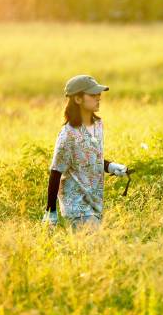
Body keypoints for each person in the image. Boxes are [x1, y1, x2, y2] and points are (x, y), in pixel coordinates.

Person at [42, 75, 127, 231]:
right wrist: (50, 211)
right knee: (98, 247)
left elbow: (91, 157)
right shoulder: (68, 134)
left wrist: (111, 167)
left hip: (94, 203)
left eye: (98, 94)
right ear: (78, 99)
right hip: (76, 205)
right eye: (93, 95)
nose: (98, 97)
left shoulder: (98, 125)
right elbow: (56, 171)